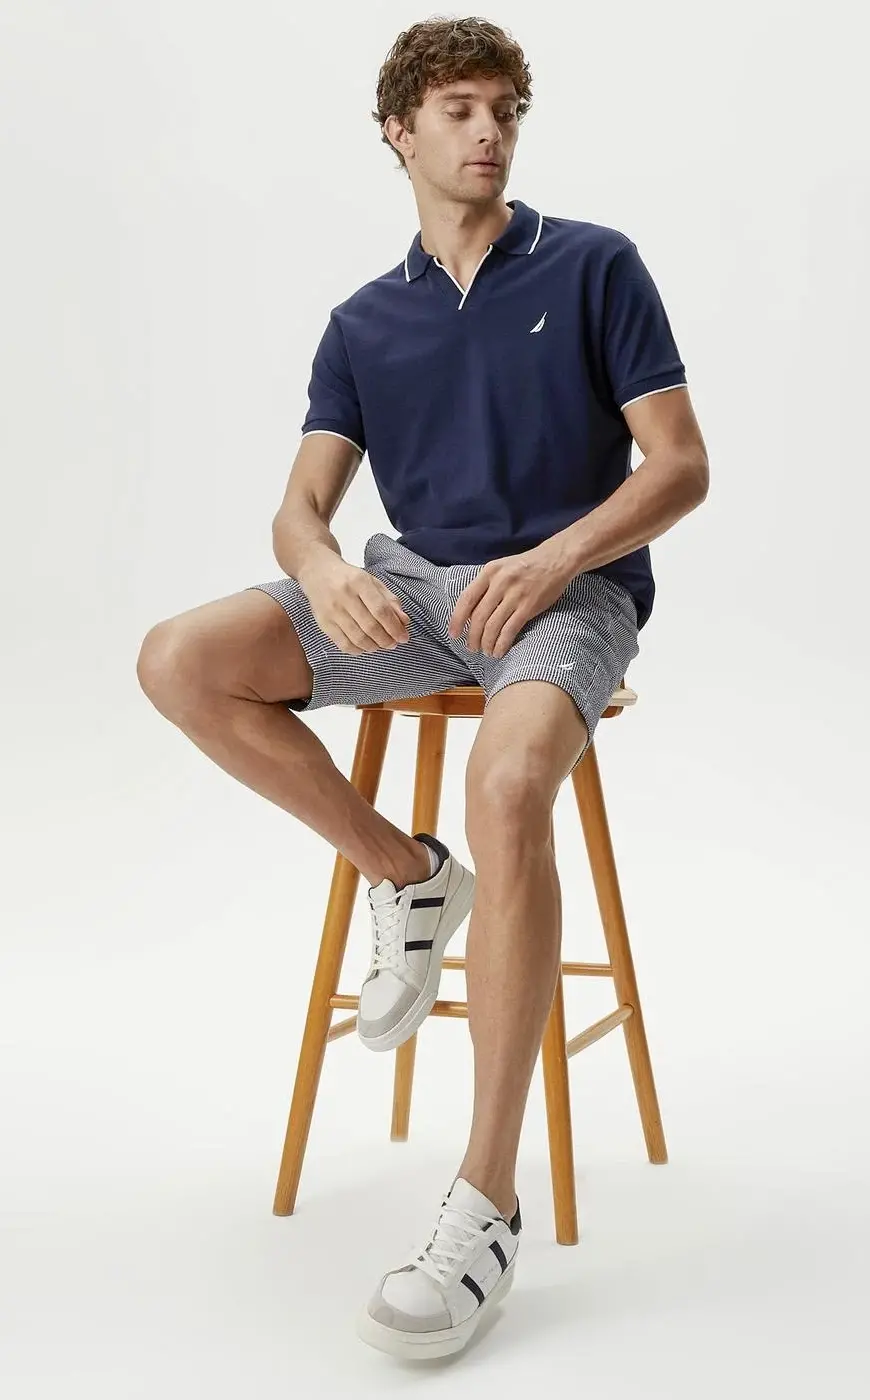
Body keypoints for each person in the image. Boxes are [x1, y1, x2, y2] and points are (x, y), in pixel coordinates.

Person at [137, 14, 709, 1361]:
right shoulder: (363, 321)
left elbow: (680, 465)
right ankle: (406, 874)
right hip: (413, 593)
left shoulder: (593, 264)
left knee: (506, 785)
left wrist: (560, 557)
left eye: (504, 109)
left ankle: (485, 1201)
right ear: (398, 131)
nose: (488, 132)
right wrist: (323, 568)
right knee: (180, 659)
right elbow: (299, 509)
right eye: (458, 110)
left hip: (566, 596)